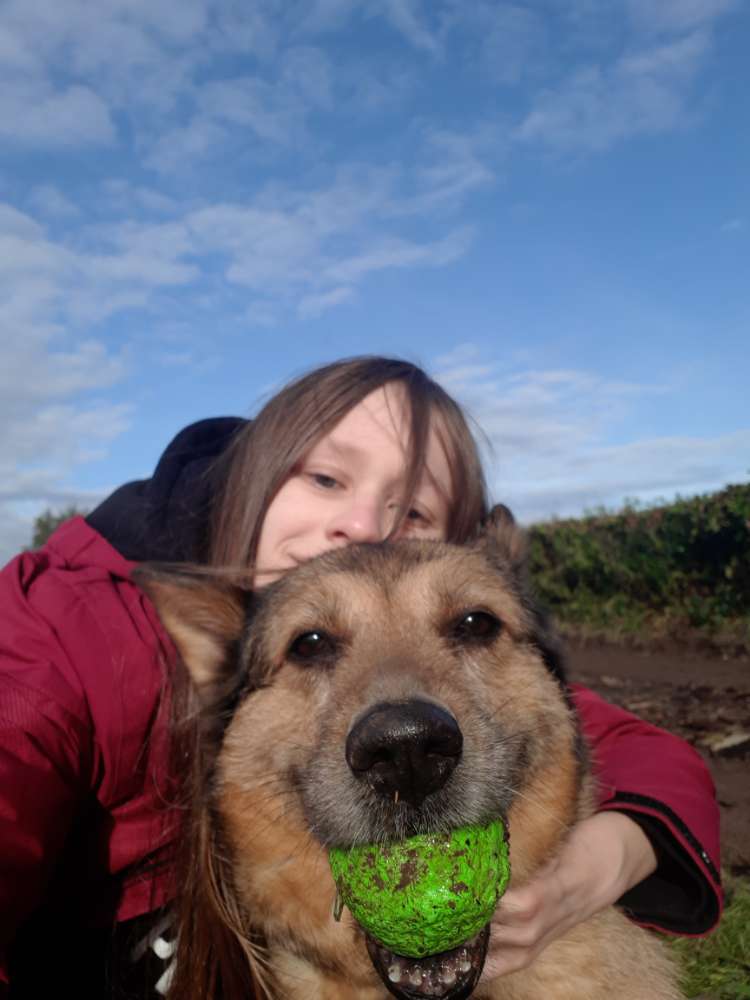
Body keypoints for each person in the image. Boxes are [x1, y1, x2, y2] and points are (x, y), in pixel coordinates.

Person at [0, 357, 721, 998]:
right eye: (324, 478)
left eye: (412, 510)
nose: (361, 523)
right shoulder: (65, 627)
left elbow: (631, 742)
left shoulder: (438, 641)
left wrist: (592, 868)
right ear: (253, 473)